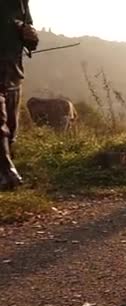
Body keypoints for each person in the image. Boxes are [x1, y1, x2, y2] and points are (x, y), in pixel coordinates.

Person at [0, 0, 38, 190]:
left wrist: (31, 37)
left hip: (13, 73)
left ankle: (7, 169)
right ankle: (7, 171)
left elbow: (30, 42)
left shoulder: (21, 4)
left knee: (11, 129)